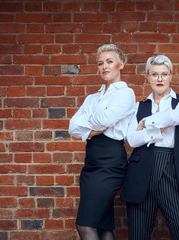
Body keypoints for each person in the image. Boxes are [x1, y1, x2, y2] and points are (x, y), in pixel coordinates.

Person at [120, 55, 179, 240]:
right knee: (138, 233)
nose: (160, 79)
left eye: (164, 74)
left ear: (171, 76)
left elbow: (176, 117)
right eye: (155, 74)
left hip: (173, 167)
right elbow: (132, 140)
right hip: (142, 167)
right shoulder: (138, 106)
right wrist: (158, 129)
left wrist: (146, 123)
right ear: (148, 77)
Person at [68, 44, 136, 240]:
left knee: (84, 225)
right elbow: (73, 127)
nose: (104, 66)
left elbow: (105, 121)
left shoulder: (125, 93)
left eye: (109, 61)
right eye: (100, 63)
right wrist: (95, 128)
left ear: (121, 64)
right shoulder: (92, 98)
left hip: (110, 162)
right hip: (91, 164)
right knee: (103, 226)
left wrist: (88, 125)